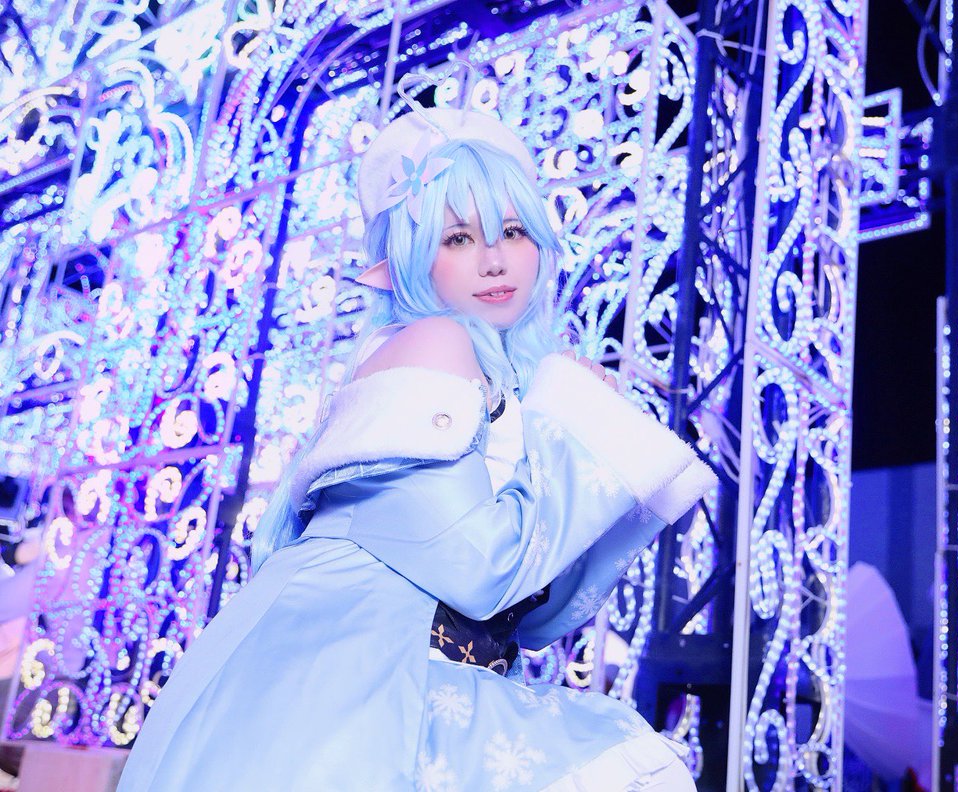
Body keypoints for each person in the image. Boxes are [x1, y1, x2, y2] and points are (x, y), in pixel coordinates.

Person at [116, 101, 716, 791]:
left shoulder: (499, 380)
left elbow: (533, 619)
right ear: (409, 257)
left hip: (414, 685)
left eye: (512, 231)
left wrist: (573, 422)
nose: (494, 260)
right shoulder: (436, 340)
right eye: (457, 237)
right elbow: (481, 568)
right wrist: (576, 421)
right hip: (358, 687)